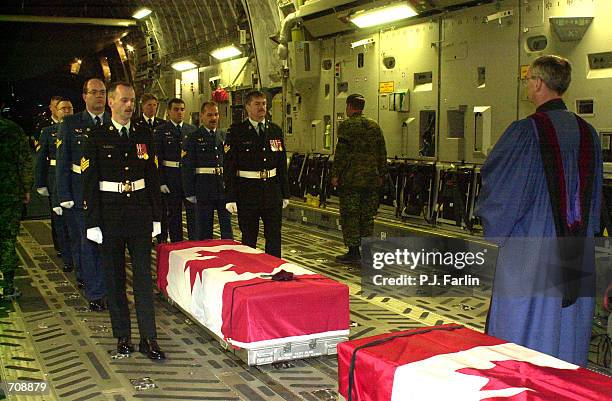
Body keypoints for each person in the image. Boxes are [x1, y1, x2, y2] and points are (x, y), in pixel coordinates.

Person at [475, 55, 603, 366]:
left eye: (528, 79)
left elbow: (503, 193)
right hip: (576, 250)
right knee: (568, 328)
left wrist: (491, 231)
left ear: (538, 83)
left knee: (525, 329)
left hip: (531, 250)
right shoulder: (589, 134)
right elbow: (596, 200)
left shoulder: (525, 132)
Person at [82, 81, 164, 360]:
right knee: (115, 279)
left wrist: (157, 216)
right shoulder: (96, 135)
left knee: (143, 278)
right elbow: (89, 181)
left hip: (140, 214)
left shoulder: (143, 133)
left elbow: (152, 176)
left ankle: (148, 338)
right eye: (124, 101)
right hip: (110, 216)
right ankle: (123, 337)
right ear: (111, 103)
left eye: (132, 101)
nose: (129, 105)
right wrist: (92, 221)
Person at [57, 78, 108, 311]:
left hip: (108, 194)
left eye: (103, 92)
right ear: (84, 96)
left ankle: (110, 288)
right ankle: (95, 292)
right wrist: (64, 194)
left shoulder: (113, 121)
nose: (99, 96)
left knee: (109, 244)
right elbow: (63, 163)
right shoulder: (70, 124)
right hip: (81, 193)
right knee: (88, 243)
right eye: (94, 92)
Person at [224, 90, 289, 257]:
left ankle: (275, 271)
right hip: (248, 192)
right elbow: (229, 167)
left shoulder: (274, 130)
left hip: (271, 192)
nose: (262, 107)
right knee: (249, 237)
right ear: (247, 107)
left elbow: (281, 163)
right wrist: (230, 197)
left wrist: (285, 193)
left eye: (264, 104)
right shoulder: (236, 132)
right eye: (257, 104)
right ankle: (250, 272)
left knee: (274, 236)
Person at [331, 94, 387, 263]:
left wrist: (335, 174)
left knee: (351, 215)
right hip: (371, 180)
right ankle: (368, 251)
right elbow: (382, 152)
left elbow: (341, 153)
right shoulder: (374, 126)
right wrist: (381, 174)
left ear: (349, 106)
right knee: (367, 215)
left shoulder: (346, 126)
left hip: (351, 180)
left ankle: (354, 252)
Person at [182, 101, 233, 240]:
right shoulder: (193, 138)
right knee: (204, 229)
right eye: (210, 115)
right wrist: (189, 192)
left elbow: (229, 164)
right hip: (204, 188)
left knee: (227, 228)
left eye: (216, 114)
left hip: (222, 187)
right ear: (202, 116)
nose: (213, 118)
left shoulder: (223, 136)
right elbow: (187, 166)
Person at [35, 98, 75, 274]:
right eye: (63, 109)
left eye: (69, 108)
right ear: (56, 111)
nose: (66, 111)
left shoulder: (80, 130)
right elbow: (41, 159)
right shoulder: (48, 132)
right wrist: (40, 182)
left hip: (74, 178)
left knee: (75, 221)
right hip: (55, 179)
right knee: (60, 220)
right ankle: (66, 256)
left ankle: (77, 255)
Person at [0, 104, 33, 300]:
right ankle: (9, 286)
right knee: (8, 239)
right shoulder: (12, 129)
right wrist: (26, 188)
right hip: (10, 193)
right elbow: (24, 160)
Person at [153, 98, 197, 242]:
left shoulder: (191, 130)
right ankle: (177, 243)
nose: (179, 112)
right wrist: (161, 181)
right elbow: (157, 158)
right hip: (171, 178)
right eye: (176, 109)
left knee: (193, 214)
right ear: (169, 111)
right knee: (174, 214)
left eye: (182, 109)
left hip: (188, 178)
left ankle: (194, 244)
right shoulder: (161, 131)